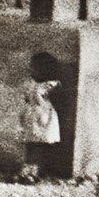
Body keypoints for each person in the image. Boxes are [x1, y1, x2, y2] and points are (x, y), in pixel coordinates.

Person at [18, 51, 64, 183]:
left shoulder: (50, 84)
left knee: (39, 145)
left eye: (35, 67)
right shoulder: (31, 83)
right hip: (31, 116)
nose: (32, 70)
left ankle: (34, 173)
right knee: (30, 145)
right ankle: (25, 172)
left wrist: (45, 99)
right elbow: (27, 97)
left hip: (43, 117)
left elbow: (55, 96)